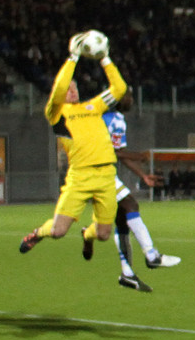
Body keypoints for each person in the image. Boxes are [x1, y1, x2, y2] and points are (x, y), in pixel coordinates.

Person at [19, 33, 128, 254]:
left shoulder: (93, 106)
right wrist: (73, 58)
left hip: (106, 174)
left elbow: (119, 89)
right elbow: (59, 90)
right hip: (80, 176)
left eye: (75, 87)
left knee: (103, 234)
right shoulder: (56, 113)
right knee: (58, 231)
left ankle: (87, 235)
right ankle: (38, 233)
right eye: (68, 88)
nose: (72, 90)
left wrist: (105, 58)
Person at [81, 91, 181, 291]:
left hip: (99, 171)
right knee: (131, 205)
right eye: (129, 96)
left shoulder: (112, 118)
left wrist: (143, 175)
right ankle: (152, 255)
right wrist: (139, 156)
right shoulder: (112, 119)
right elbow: (116, 153)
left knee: (121, 220)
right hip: (96, 172)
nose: (131, 100)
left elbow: (119, 155)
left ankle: (127, 273)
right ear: (118, 99)